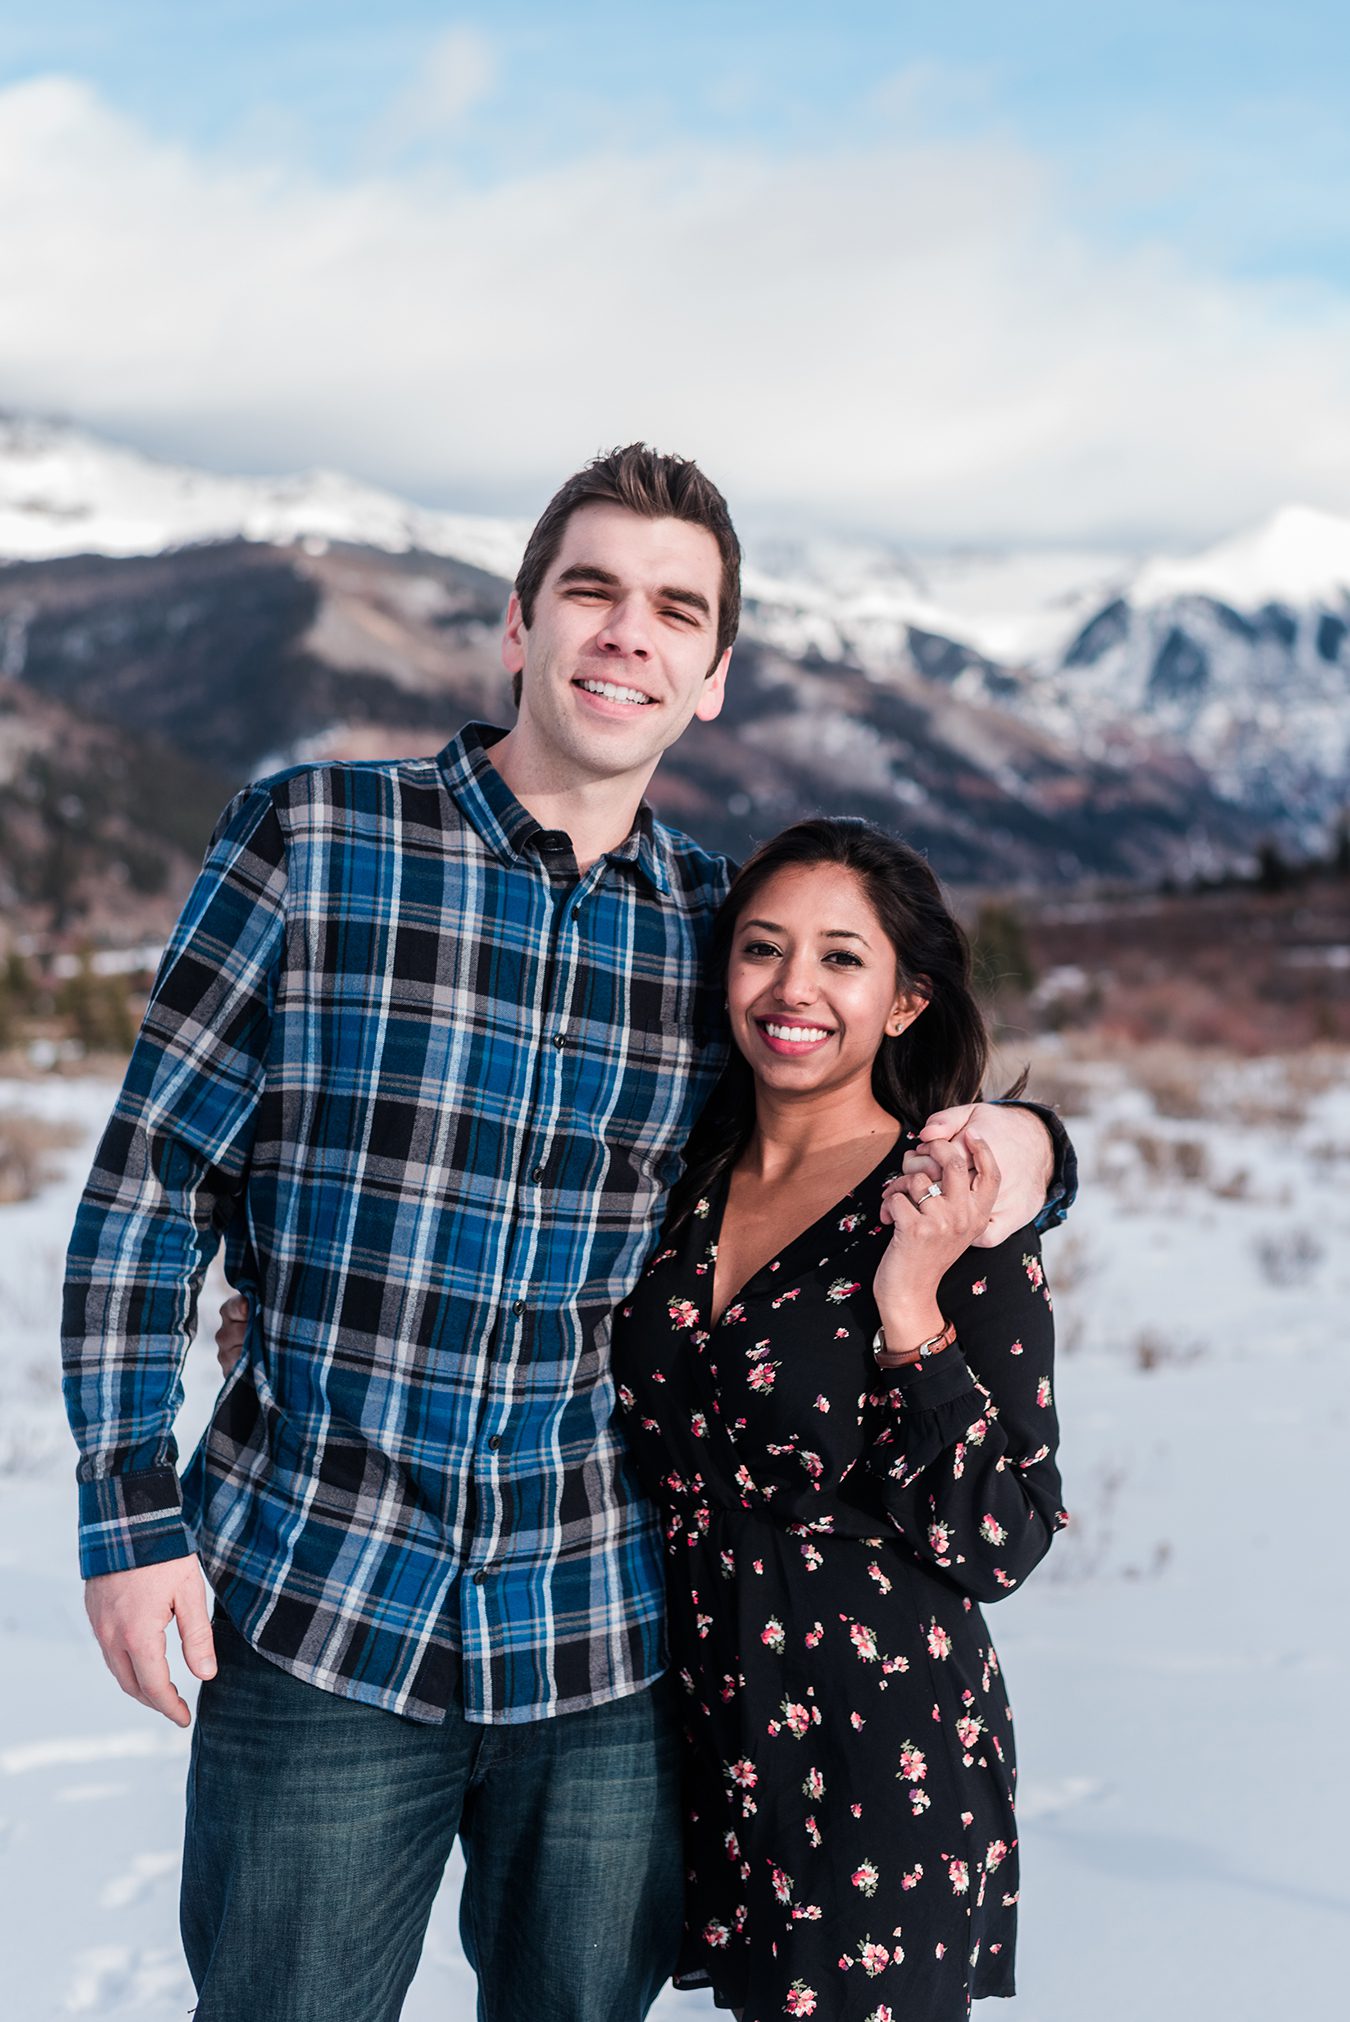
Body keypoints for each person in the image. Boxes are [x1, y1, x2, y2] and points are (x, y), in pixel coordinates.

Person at [62, 444, 1073, 2022]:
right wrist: (128, 1514)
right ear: (519, 624)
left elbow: (851, 1102)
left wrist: (1028, 1141)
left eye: (675, 609)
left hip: (598, 1638)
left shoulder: (707, 929)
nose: (628, 632)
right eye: (591, 590)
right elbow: (146, 1189)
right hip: (325, 1597)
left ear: (714, 676)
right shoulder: (316, 840)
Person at [610, 816, 1068, 2020]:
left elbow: (1006, 1539)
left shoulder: (949, 1203)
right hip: (687, 1719)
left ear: (907, 1002)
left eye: (841, 958)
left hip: (877, 1749)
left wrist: (910, 1303)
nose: (792, 989)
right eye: (761, 950)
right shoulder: (677, 1182)